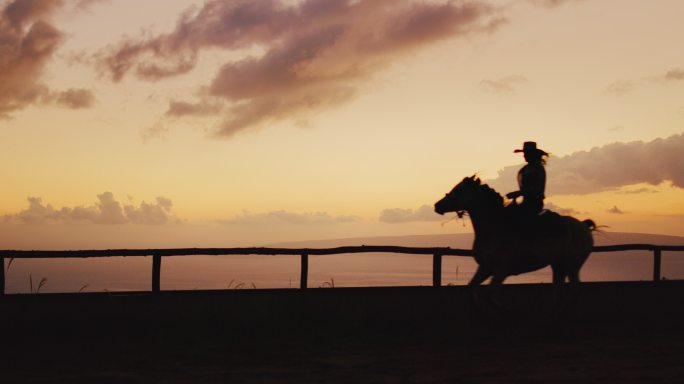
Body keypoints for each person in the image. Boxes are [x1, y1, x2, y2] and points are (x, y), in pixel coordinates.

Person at [506, 141, 548, 216]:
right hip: (526, 202)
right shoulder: (526, 169)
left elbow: (536, 188)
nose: (524, 156)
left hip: (535, 204)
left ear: (532, 155)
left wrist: (518, 193)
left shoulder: (538, 169)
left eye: (526, 153)